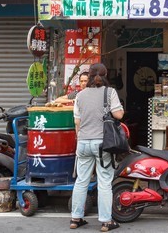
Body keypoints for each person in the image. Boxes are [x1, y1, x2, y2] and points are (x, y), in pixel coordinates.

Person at [70, 63, 124, 232]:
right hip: (102, 144)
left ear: (90, 76)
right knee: (104, 182)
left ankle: (76, 218)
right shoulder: (110, 92)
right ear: (105, 75)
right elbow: (119, 115)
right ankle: (106, 221)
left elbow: (77, 122)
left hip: (83, 142)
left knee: (81, 181)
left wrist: (80, 140)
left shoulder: (80, 95)